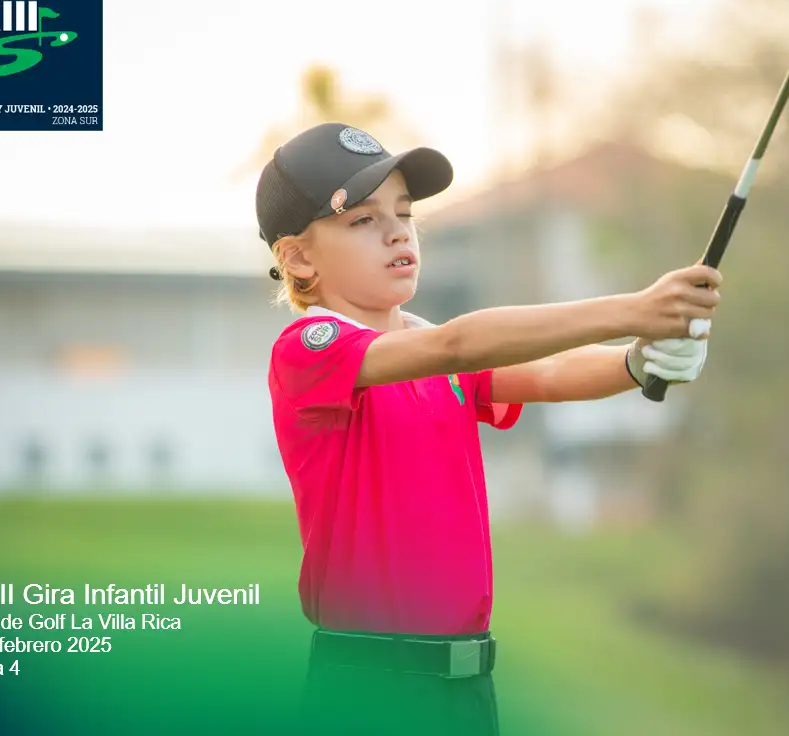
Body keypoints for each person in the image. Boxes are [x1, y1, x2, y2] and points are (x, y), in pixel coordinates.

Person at [256, 123, 721, 735]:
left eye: (404, 213)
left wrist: (638, 361)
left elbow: (547, 372)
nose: (397, 232)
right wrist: (633, 309)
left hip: (467, 689)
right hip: (371, 685)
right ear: (298, 257)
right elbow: (458, 345)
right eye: (363, 220)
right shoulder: (309, 350)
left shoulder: (429, 346)